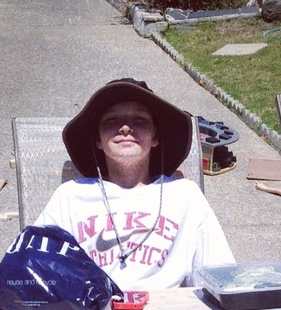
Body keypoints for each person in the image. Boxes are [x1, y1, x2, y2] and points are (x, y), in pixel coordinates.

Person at [34, 78, 235, 289]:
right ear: (98, 140)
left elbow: (219, 277)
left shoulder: (185, 195)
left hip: (166, 308)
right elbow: (34, 269)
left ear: (155, 137)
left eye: (139, 120)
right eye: (111, 120)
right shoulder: (70, 196)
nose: (125, 128)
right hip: (93, 306)